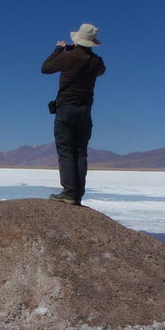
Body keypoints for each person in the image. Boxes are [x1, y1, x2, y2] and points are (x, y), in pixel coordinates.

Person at [41, 23, 106, 205]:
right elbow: (100, 70)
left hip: (66, 109)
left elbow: (45, 68)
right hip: (85, 111)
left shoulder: (67, 57)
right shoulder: (96, 62)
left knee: (66, 150)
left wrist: (58, 51)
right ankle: (77, 194)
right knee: (81, 152)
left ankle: (69, 192)